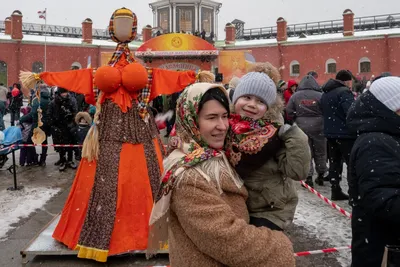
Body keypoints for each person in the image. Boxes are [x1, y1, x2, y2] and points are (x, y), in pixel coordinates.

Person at [19, 8, 196, 262]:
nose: (123, 29)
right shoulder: (98, 72)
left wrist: (192, 76)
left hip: (140, 132)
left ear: (133, 29)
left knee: (143, 180)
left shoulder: (146, 73)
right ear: (112, 28)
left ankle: (146, 231)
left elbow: (166, 78)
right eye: (119, 24)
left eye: (128, 24)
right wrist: (42, 77)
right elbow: (76, 77)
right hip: (106, 135)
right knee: (104, 185)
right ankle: (103, 234)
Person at [148, 82, 295, 267]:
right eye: (211, 118)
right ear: (191, 120)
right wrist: (279, 245)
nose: (223, 126)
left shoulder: (214, 154)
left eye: (225, 116)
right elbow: (227, 239)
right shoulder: (188, 176)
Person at [228, 71, 310, 231]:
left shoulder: (273, 136)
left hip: (270, 211)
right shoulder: (227, 127)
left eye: (260, 101)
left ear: (269, 107)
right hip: (239, 206)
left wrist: (295, 136)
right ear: (235, 98)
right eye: (246, 97)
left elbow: (297, 172)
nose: (252, 104)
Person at [347, 77, 400, 267]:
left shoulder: (388, 134)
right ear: (391, 107)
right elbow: (381, 198)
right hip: (382, 248)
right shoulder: (376, 141)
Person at [321, 70, 356, 201]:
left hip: (330, 133)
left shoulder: (326, 93)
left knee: (334, 162)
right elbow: (351, 112)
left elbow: (322, 110)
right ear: (346, 81)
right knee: (351, 163)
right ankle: (354, 193)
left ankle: (335, 189)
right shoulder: (344, 92)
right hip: (345, 134)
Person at [286, 74, 327, 187]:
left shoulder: (296, 96)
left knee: (306, 151)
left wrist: (296, 117)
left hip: (302, 127)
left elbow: (289, 110)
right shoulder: (320, 95)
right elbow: (326, 109)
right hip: (319, 126)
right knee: (321, 151)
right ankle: (321, 174)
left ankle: (308, 176)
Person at [20, 84, 51, 166]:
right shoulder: (49, 99)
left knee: (30, 141)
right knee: (44, 142)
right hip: (46, 125)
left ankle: (34, 158)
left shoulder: (37, 100)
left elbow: (33, 113)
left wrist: (22, 119)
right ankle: (43, 160)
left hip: (37, 124)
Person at [47, 87, 77, 171]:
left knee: (70, 144)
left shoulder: (71, 100)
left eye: (66, 92)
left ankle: (70, 160)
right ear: (59, 93)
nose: (65, 94)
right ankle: (62, 160)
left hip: (69, 126)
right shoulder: (54, 102)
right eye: (63, 92)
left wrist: (72, 119)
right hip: (58, 126)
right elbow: (49, 114)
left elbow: (75, 112)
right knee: (61, 145)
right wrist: (53, 124)